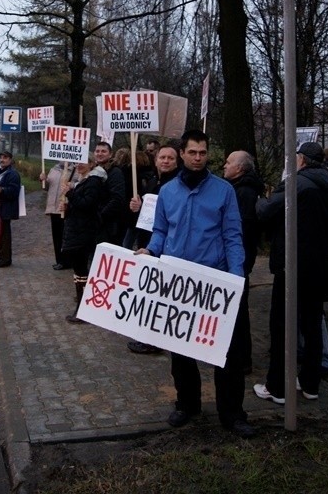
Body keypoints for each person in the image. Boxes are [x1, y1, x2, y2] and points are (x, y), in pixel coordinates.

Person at [135, 129, 255, 438]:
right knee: (180, 349)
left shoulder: (224, 191)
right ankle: (187, 404)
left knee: (225, 352)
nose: (198, 158)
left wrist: (237, 274)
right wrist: (150, 250)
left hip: (215, 281)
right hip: (177, 281)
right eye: (192, 153)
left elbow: (232, 236)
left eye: (203, 153)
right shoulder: (168, 192)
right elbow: (160, 230)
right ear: (182, 154)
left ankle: (232, 413)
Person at [253, 142, 328, 404]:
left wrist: (260, 200)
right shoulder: (327, 185)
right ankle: (310, 383)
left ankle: (277, 387)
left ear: (302, 160)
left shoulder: (297, 185)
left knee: (282, 326)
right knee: (312, 326)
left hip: (292, 265)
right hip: (318, 266)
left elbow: (266, 212)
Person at [126, 143, 180, 355]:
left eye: (170, 158)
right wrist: (136, 209)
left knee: (160, 293)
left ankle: (155, 339)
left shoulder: (177, 184)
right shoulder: (153, 181)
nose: (165, 161)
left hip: (164, 246)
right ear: (156, 160)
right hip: (147, 242)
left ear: (178, 161)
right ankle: (147, 334)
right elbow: (144, 218)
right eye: (162, 157)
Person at [223, 150, 265, 374]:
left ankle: (242, 359)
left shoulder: (244, 192)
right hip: (239, 260)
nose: (224, 166)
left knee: (238, 310)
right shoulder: (240, 189)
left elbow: (242, 230)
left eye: (229, 163)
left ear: (239, 168)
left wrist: (238, 263)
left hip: (239, 262)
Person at [60, 157, 107, 323]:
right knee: (79, 272)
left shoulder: (93, 182)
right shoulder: (82, 180)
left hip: (84, 232)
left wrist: (71, 194)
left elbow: (87, 205)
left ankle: (83, 310)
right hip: (77, 230)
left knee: (81, 272)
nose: (78, 165)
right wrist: (67, 205)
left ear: (92, 164)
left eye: (83, 162)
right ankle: (82, 307)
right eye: (76, 163)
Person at [40, 161, 74, 270]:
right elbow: (47, 188)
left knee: (65, 235)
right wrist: (44, 180)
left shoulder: (74, 170)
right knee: (56, 235)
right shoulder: (53, 170)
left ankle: (66, 261)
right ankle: (59, 260)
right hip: (53, 208)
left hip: (65, 207)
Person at [93, 141, 126, 245]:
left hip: (108, 224)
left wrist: (101, 216)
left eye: (103, 151)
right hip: (94, 223)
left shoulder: (115, 172)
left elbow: (117, 198)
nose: (100, 153)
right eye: (97, 151)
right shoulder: (93, 171)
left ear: (110, 154)